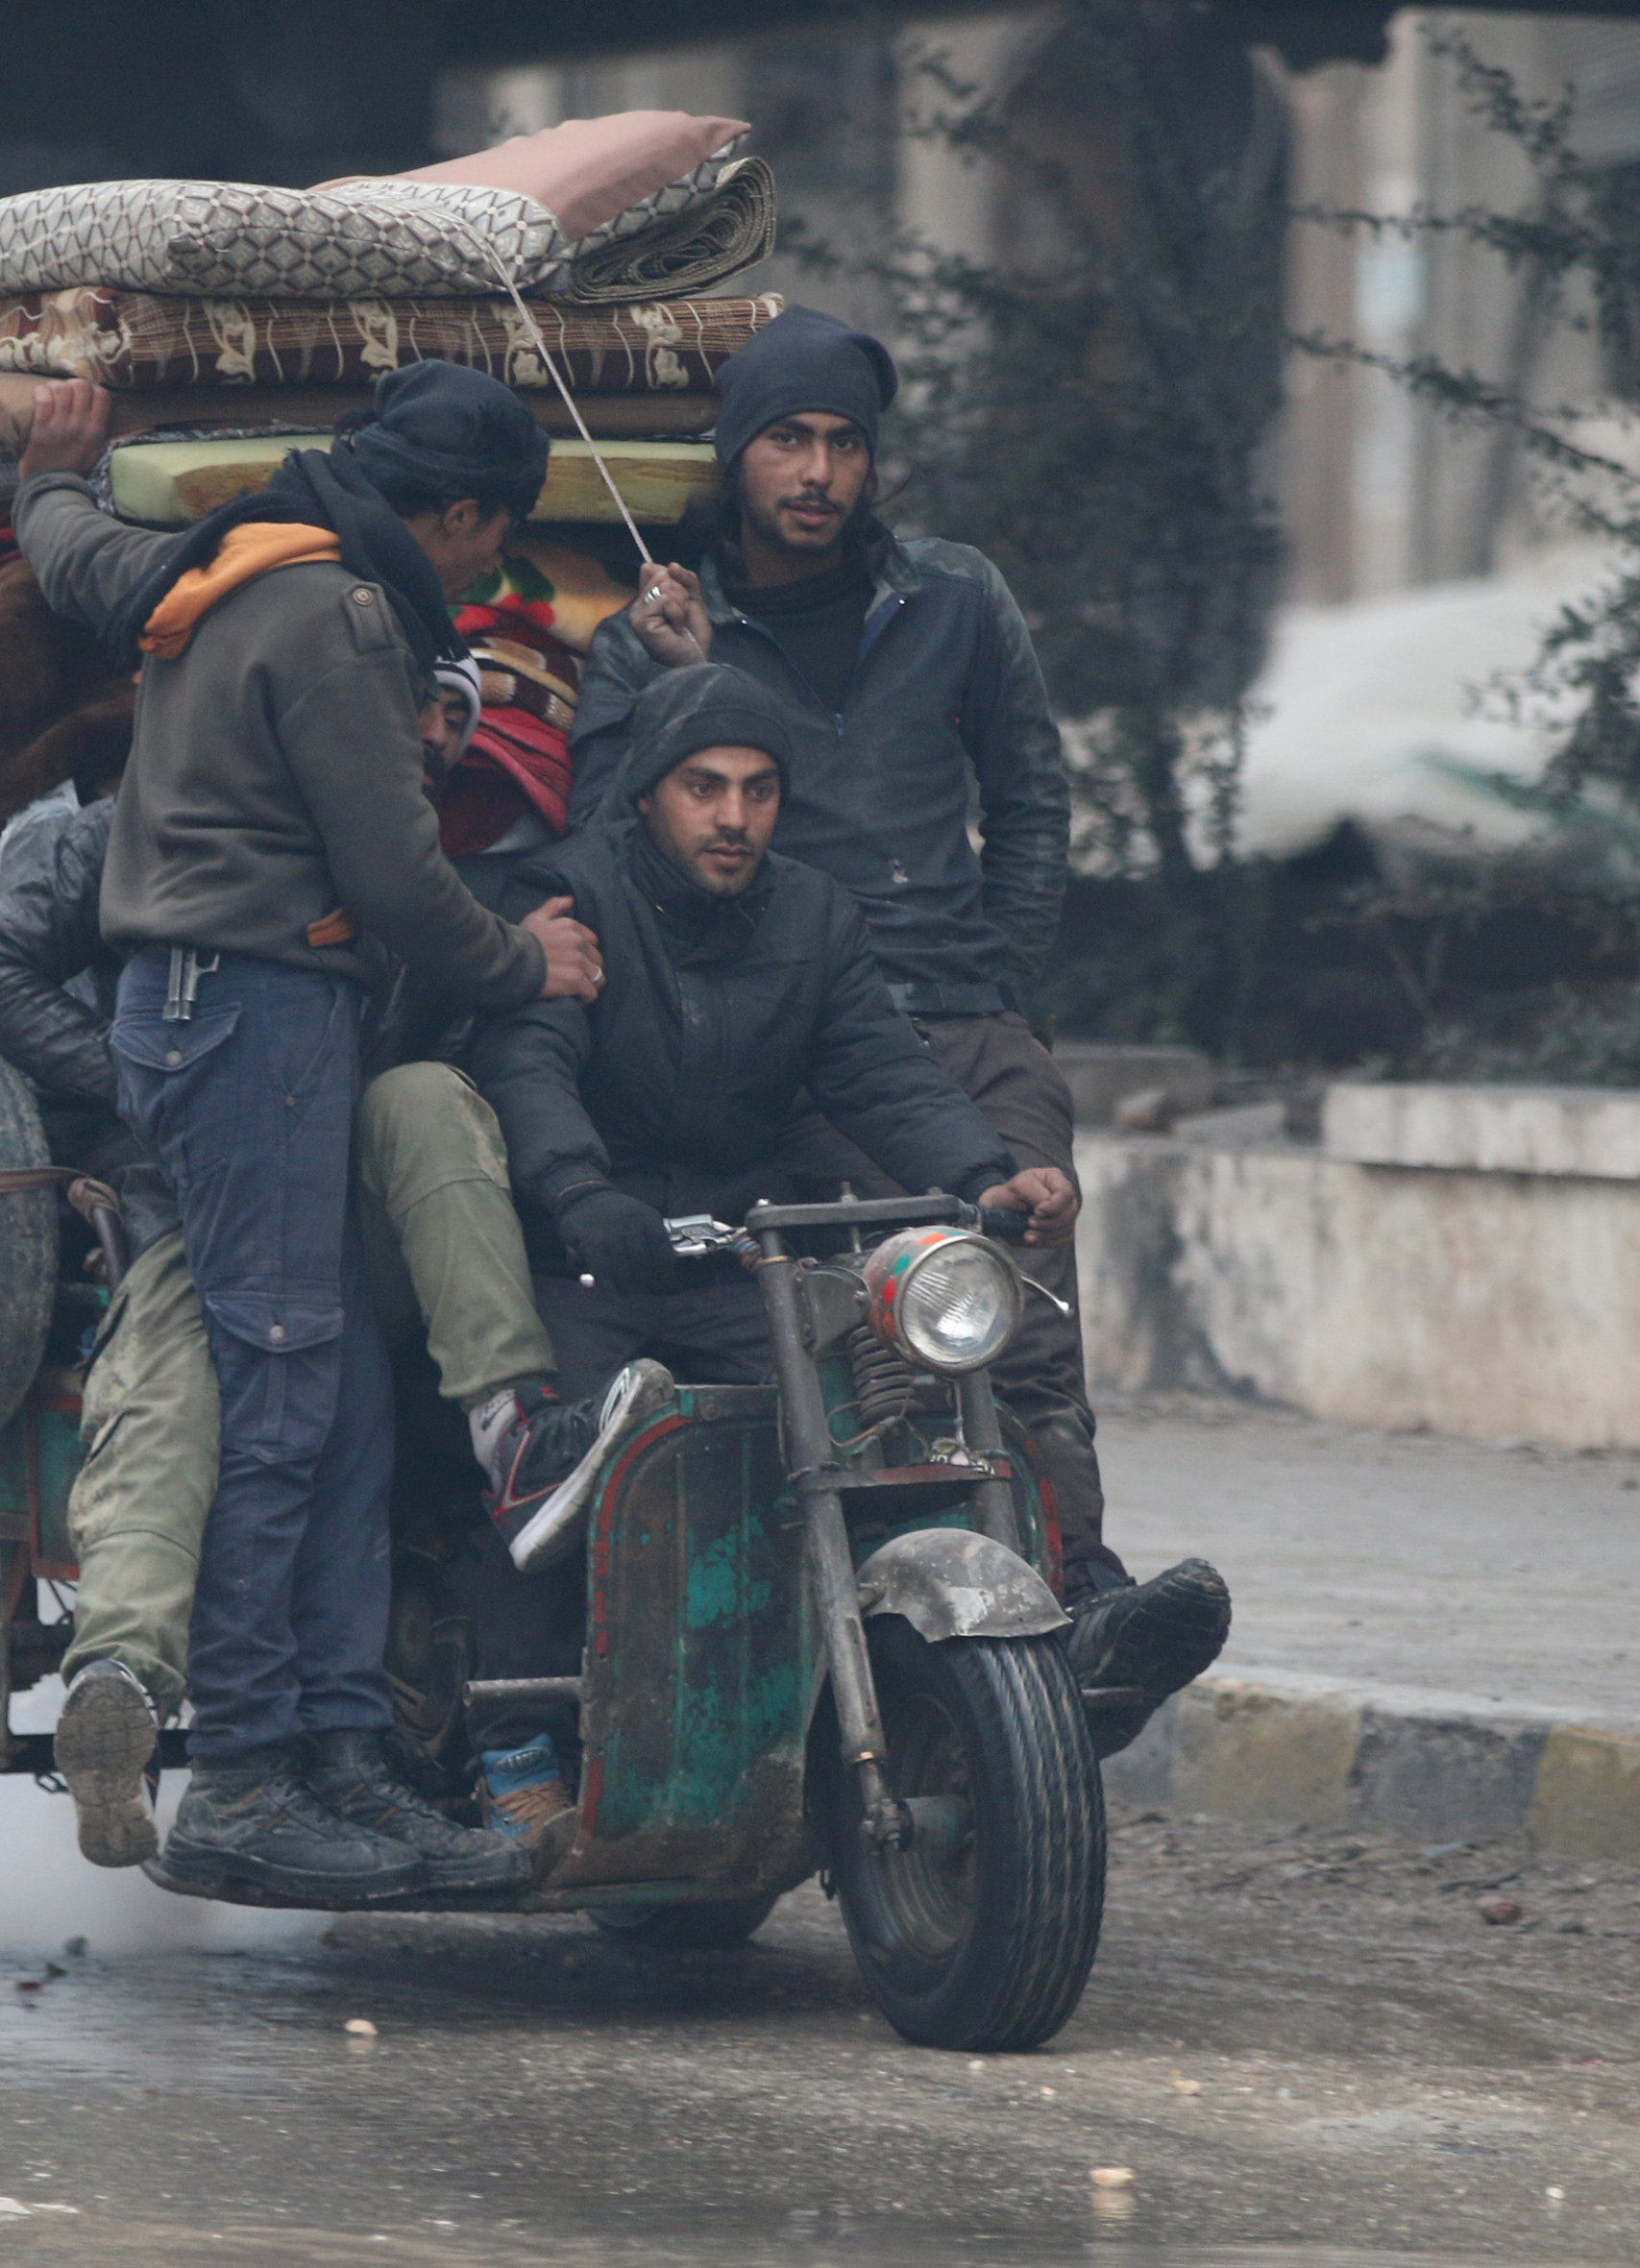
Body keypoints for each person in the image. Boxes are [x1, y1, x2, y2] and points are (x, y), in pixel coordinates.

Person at [568, 305, 1226, 1743]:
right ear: (737, 456)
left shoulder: (955, 596)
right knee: (884, 1337)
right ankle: (891, 1629)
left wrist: (1010, 992)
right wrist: (677, 678)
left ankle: (1079, 1591)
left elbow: (1034, 797)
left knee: (1027, 1320)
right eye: (788, 441)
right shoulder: (664, 626)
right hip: (797, 1038)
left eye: (844, 444)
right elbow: (603, 838)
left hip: (968, 1016)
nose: (817, 471)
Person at [6, 359, 605, 1901]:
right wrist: (522, 956)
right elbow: (401, 880)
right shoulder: (337, 616)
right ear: (458, 515)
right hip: (252, 1008)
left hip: (244, 1010)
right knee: (283, 1388)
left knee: (322, 1389)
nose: (483, 576)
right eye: (490, 544)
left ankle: (342, 1758)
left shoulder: (235, 557)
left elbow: (86, 563)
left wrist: (44, 488)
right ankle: (254, 1778)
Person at [461, 662, 1110, 1846]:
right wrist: (574, 1193)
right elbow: (530, 1062)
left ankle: (857, 1693)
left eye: (758, 791)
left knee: (865, 1430)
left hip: (737, 1254)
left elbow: (881, 1066)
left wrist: (982, 1174)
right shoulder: (573, 892)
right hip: (592, 1250)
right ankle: (514, 1743)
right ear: (651, 792)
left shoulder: (812, 915)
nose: (732, 817)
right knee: (542, 1450)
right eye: (703, 788)